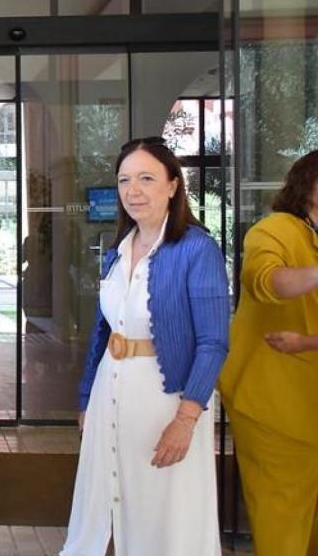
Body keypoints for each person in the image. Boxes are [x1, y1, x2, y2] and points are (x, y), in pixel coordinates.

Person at [60, 137, 229, 556]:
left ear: (173, 185)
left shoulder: (197, 249)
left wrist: (186, 420)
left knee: (168, 517)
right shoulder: (116, 252)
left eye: (146, 178)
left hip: (167, 407)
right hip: (110, 398)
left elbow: (213, 342)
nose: (133, 191)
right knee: (105, 506)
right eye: (124, 180)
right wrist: (86, 401)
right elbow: (103, 333)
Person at [219, 149, 318, 556]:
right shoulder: (273, 230)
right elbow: (265, 281)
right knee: (282, 523)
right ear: (306, 185)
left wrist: (309, 342)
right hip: (275, 406)